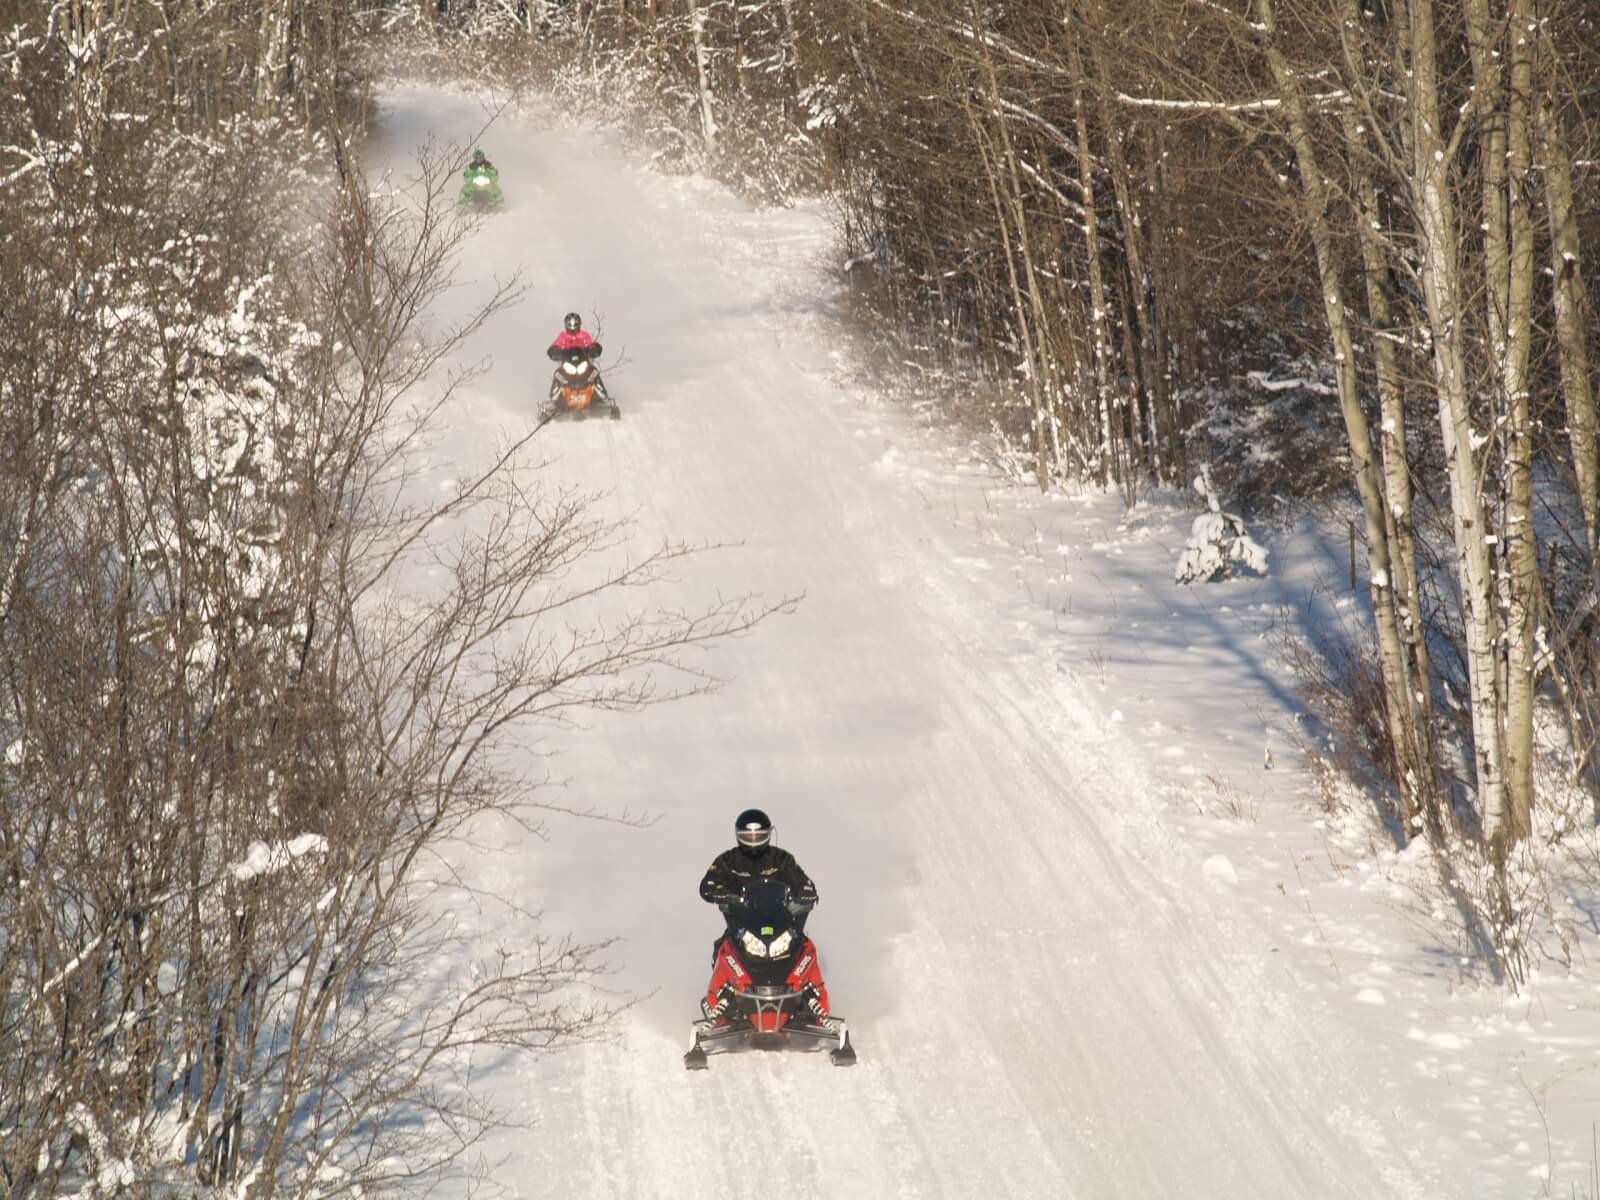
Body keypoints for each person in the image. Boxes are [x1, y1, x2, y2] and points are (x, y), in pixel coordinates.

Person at [545, 311, 612, 406]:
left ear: (579, 324)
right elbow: (556, 345)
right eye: (570, 325)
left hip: (583, 363)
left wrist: (594, 348)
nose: (573, 327)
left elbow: (590, 344)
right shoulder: (562, 336)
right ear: (566, 325)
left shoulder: (584, 335)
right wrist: (554, 350)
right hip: (567, 365)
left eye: (575, 324)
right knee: (557, 374)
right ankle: (551, 401)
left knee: (594, 372)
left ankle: (605, 399)